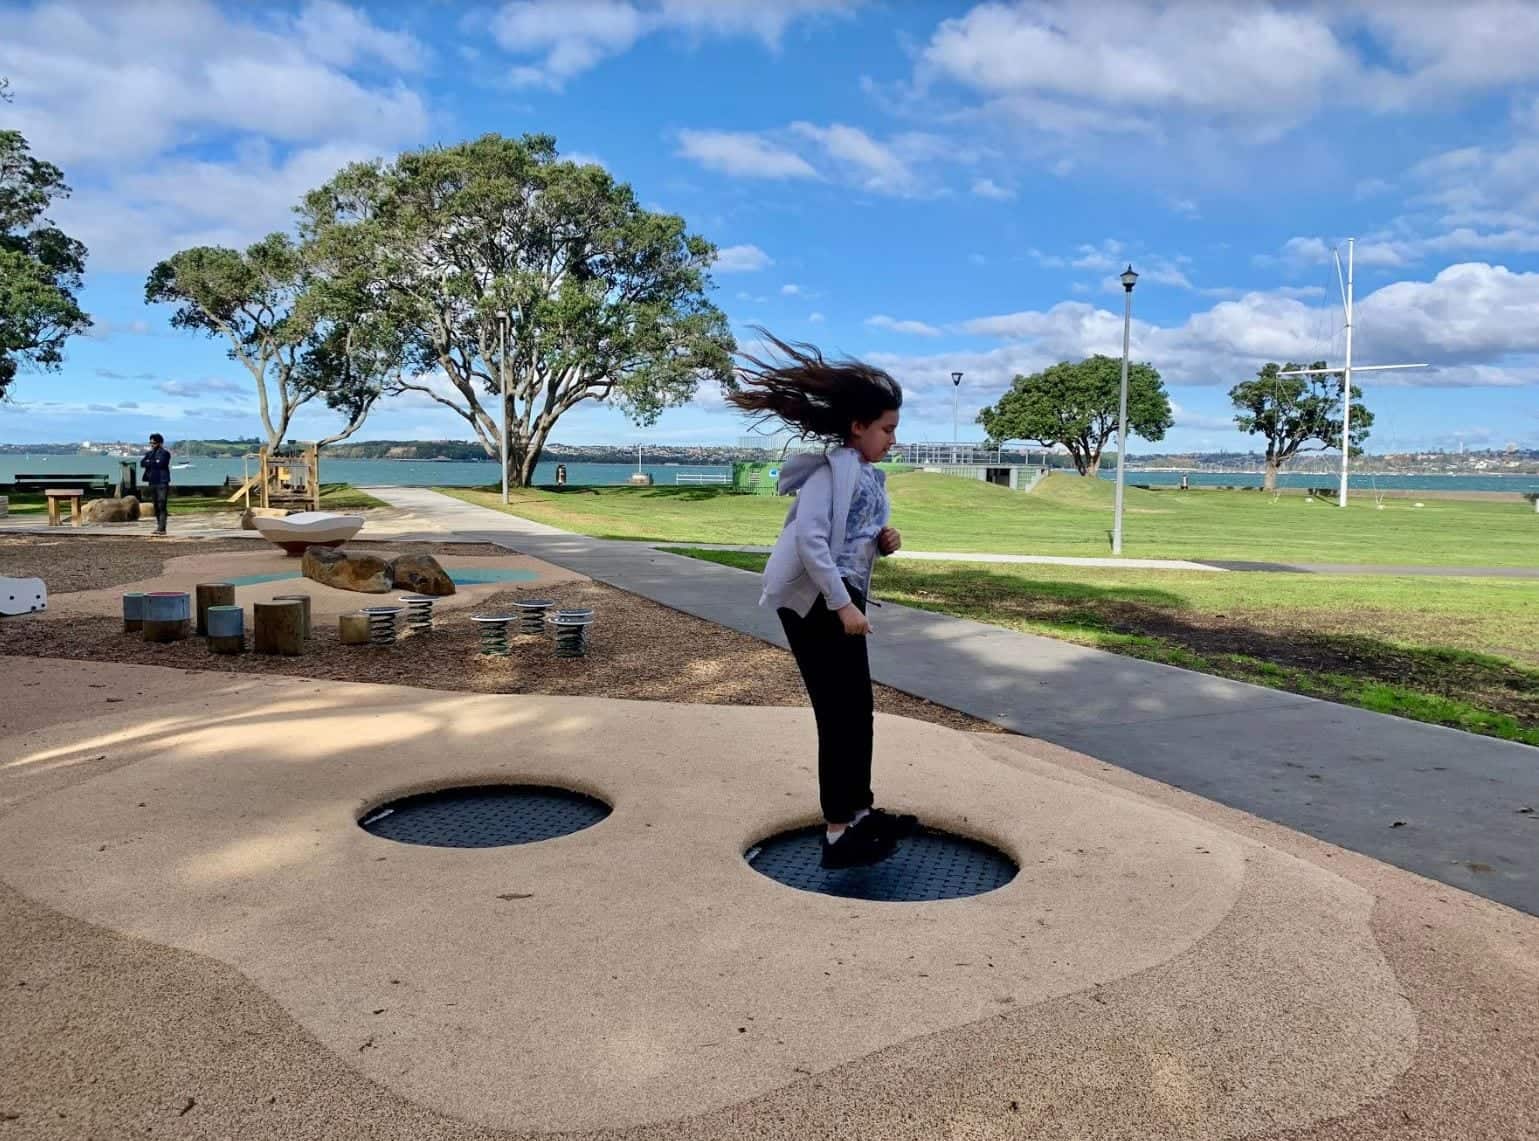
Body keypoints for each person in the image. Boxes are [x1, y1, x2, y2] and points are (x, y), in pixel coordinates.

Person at [728, 332, 918, 870]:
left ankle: (859, 812)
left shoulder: (868, 478)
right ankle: (838, 832)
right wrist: (843, 606)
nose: (892, 439)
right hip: (814, 602)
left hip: (840, 596)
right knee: (838, 712)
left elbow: (853, 537)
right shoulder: (827, 472)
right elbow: (812, 542)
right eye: (886, 428)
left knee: (858, 709)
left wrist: (885, 540)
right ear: (857, 427)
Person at [140, 433, 171, 535]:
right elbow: (142, 463)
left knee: (162, 504)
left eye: (154, 443)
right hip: (152, 481)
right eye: (151, 443)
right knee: (156, 505)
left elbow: (161, 463)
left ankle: (162, 528)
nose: (152, 444)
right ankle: (159, 526)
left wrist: (151, 462)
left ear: (159, 443)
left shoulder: (165, 453)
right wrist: (154, 461)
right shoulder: (149, 453)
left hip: (162, 481)